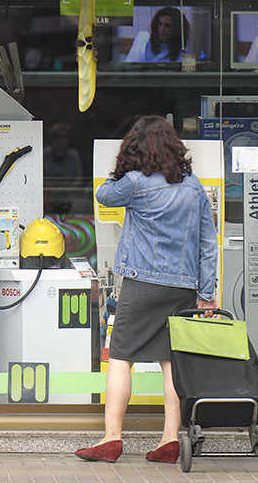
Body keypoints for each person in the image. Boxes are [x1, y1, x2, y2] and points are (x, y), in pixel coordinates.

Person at [75, 115, 218, 464]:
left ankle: (112, 438)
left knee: (122, 358)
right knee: (172, 362)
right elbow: (207, 244)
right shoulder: (194, 186)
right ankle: (170, 439)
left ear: (138, 146)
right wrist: (207, 291)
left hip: (142, 283)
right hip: (183, 286)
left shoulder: (135, 182)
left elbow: (103, 194)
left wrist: (124, 164)